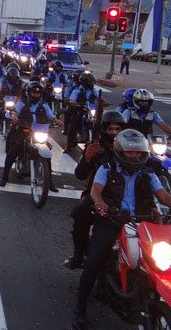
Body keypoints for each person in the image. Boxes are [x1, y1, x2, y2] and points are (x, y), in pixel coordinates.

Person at [71, 129, 171, 330]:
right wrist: (100, 204)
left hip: (142, 224)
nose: (134, 156)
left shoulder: (148, 173)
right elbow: (96, 191)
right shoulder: (107, 168)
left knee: (161, 262)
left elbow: (163, 196)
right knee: (94, 262)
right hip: (112, 221)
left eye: (137, 152)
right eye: (129, 152)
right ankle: (80, 310)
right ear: (120, 151)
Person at [63, 111, 127, 270]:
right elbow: (80, 174)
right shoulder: (95, 147)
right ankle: (79, 255)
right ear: (103, 130)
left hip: (125, 195)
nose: (114, 133)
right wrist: (87, 158)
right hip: (97, 194)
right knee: (80, 215)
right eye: (110, 129)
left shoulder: (130, 147)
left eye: (117, 129)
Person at [0, 81, 63, 187]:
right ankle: (4, 176)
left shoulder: (44, 105)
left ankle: (49, 181)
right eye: (34, 92)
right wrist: (14, 116)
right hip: (25, 132)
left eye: (38, 93)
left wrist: (57, 121)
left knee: (47, 155)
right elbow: (15, 112)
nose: (36, 94)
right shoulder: (22, 103)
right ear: (29, 92)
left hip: (39, 133)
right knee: (13, 150)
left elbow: (51, 117)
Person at [65, 73, 103, 152]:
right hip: (79, 110)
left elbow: (99, 99)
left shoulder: (94, 91)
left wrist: (104, 102)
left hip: (90, 110)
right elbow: (72, 100)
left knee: (99, 124)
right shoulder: (77, 90)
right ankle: (69, 146)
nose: (92, 84)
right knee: (73, 126)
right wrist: (74, 103)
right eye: (91, 82)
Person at [0, 67, 23, 143]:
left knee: (23, 116)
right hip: (3, 101)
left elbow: (23, 94)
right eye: (13, 77)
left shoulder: (21, 83)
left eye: (16, 78)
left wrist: (19, 99)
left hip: (16, 103)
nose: (14, 79)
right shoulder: (2, 81)